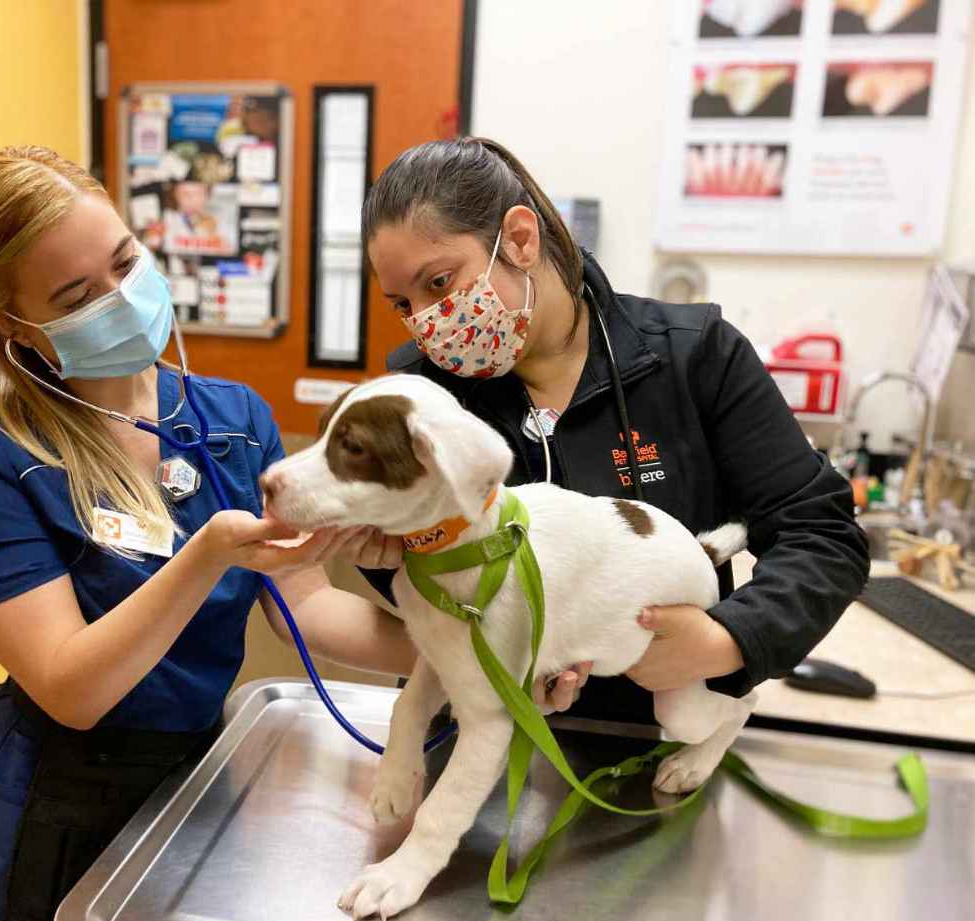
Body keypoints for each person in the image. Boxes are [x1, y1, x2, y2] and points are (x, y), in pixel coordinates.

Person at [0, 146, 414, 921]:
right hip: (40, 821)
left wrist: (465, 648)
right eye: (78, 294)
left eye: (125, 262)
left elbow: (305, 606)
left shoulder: (232, 417)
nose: (121, 299)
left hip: (188, 790)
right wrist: (206, 555)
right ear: (9, 325)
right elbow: (71, 689)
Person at [357, 136, 870, 723]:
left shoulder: (694, 358)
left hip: (656, 735)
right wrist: (394, 554)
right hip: (482, 726)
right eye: (403, 303)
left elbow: (821, 534)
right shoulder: (422, 397)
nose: (427, 321)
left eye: (440, 283)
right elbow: (409, 578)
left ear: (521, 239)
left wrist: (727, 640)